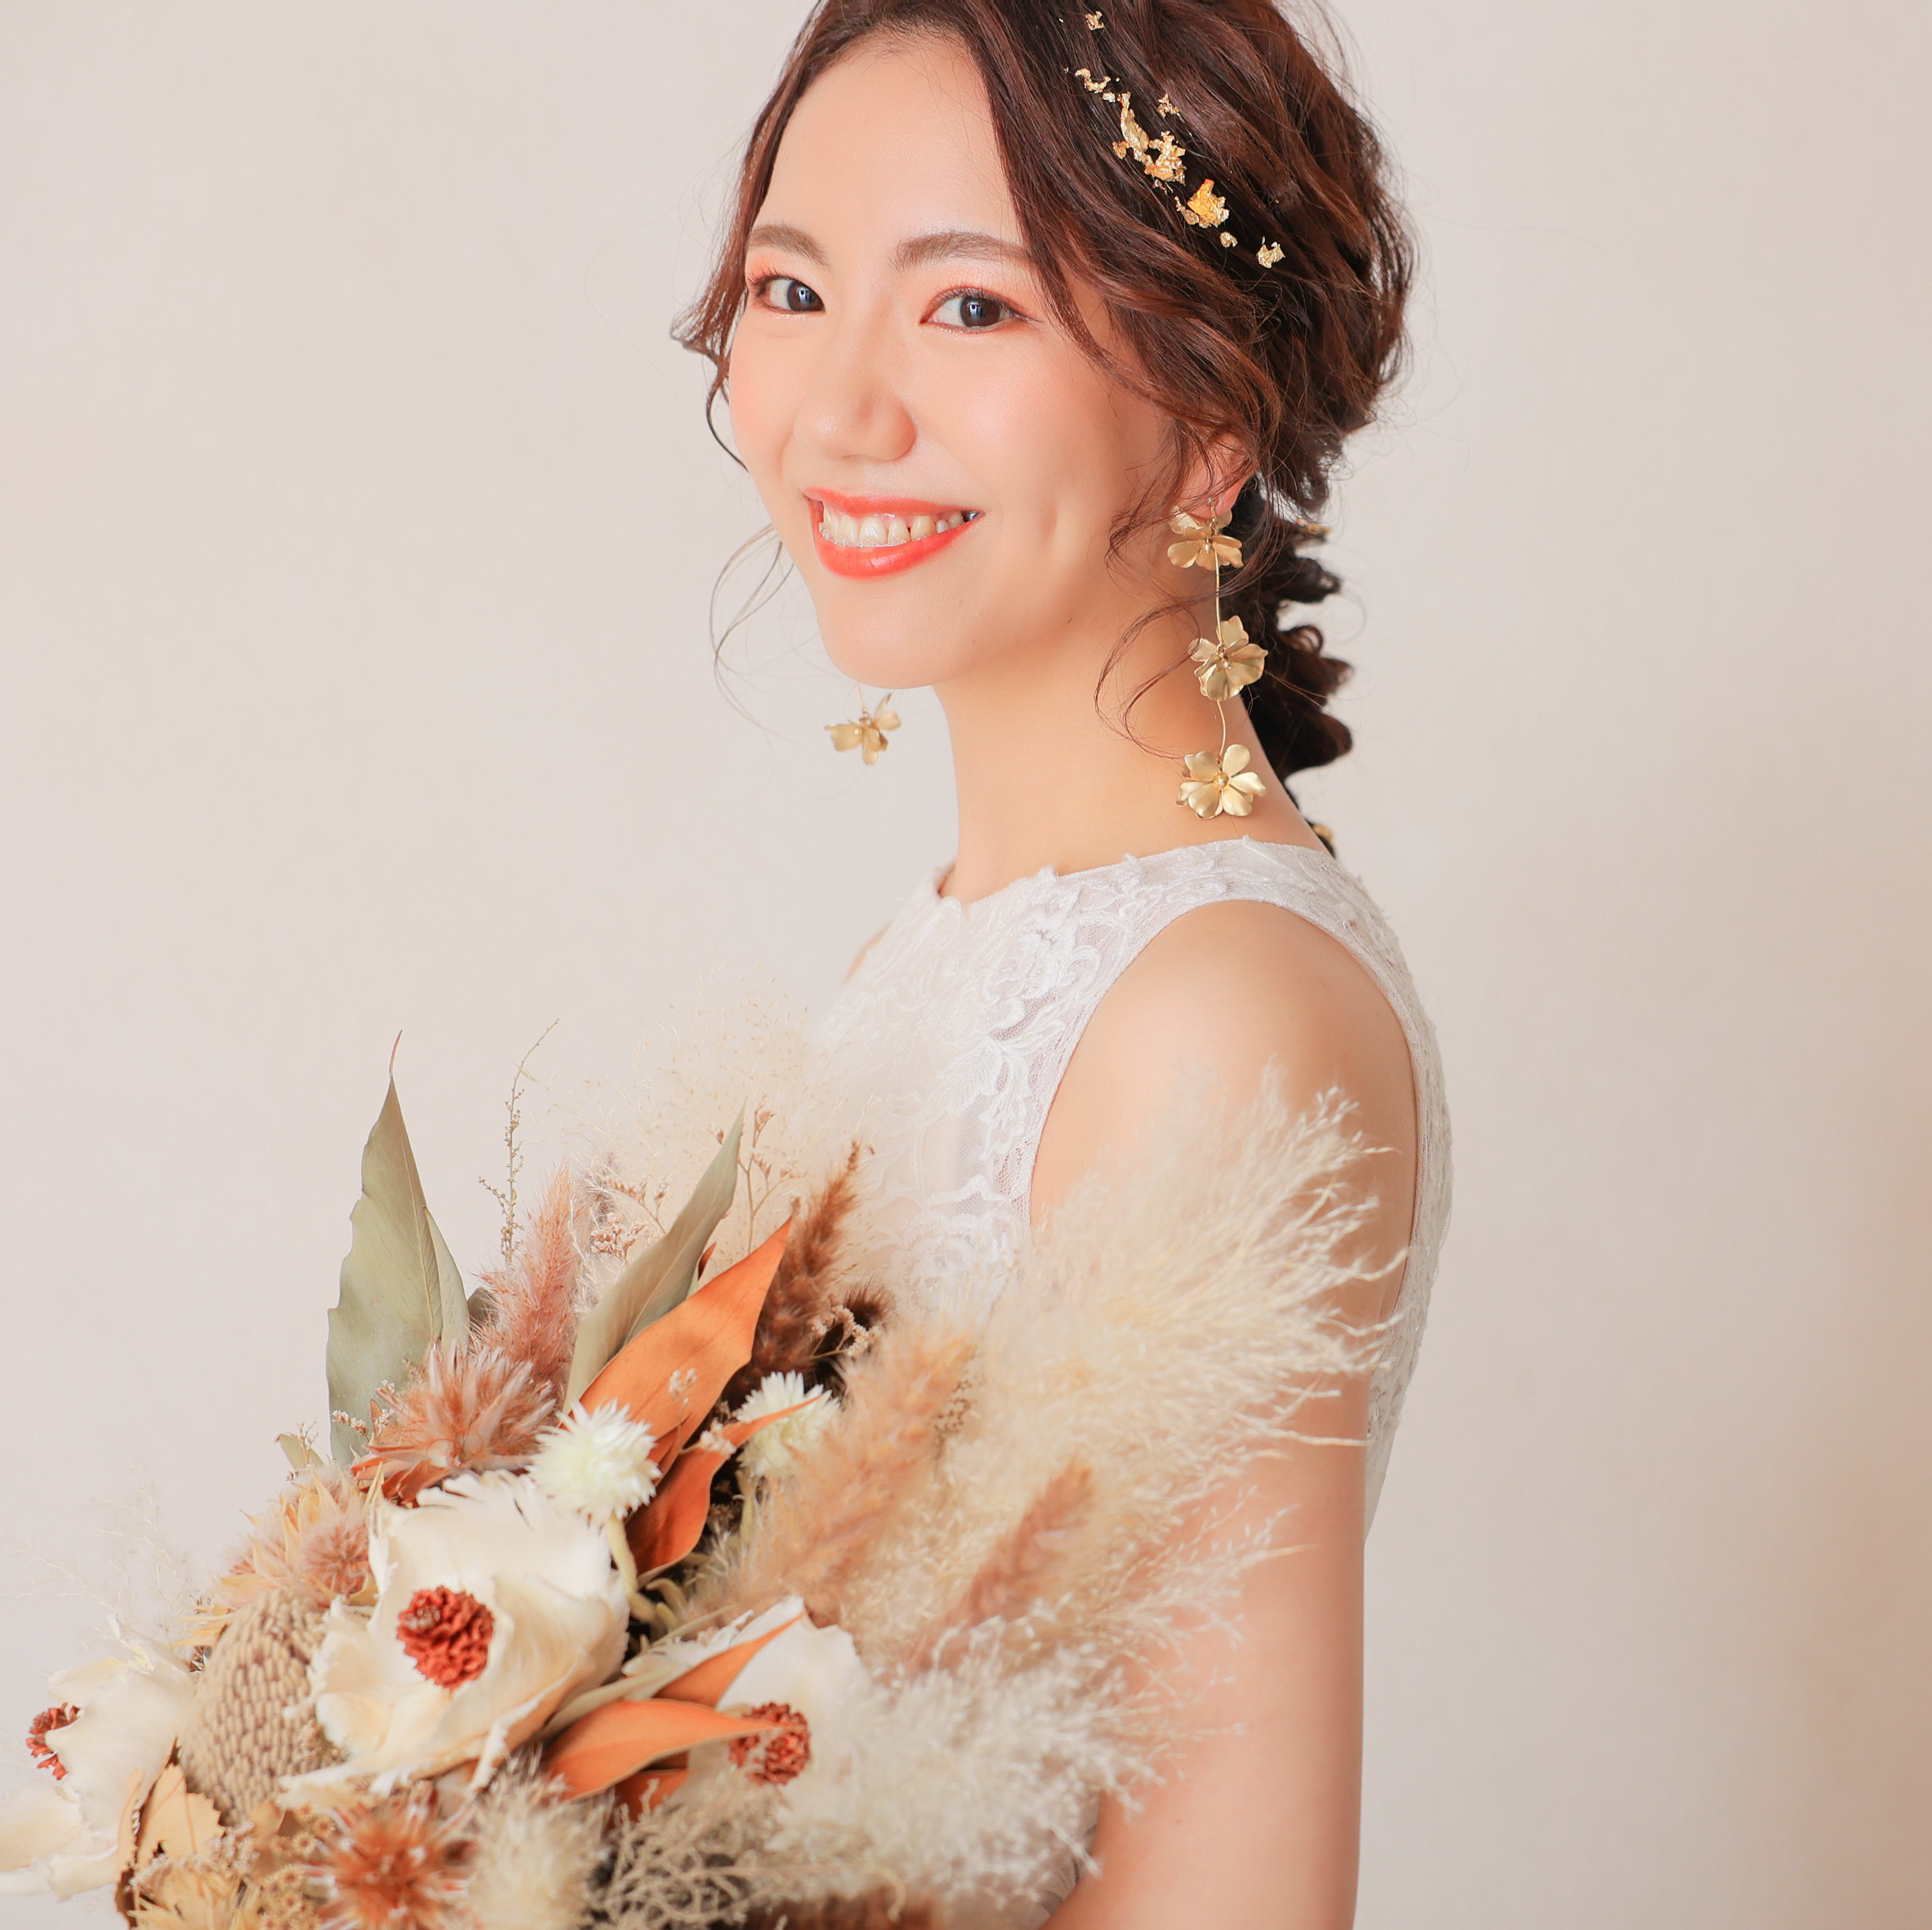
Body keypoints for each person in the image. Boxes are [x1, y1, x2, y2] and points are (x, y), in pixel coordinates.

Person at [678, 2, 1448, 1923]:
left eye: (971, 307)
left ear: (1213, 411)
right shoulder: (937, 947)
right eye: (792, 288)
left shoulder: (1216, 1013)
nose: (840, 412)